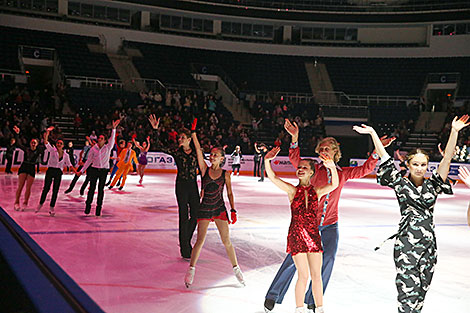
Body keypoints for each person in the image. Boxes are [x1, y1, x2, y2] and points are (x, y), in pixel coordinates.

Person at [264, 119, 394, 313]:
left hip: (330, 225)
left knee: (329, 259)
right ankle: (274, 295)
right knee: (294, 260)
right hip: (308, 226)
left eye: (328, 149)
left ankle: (313, 300)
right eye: (321, 148)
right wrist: (294, 138)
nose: (324, 151)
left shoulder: (343, 173)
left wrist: (377, 149)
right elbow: (295, 160)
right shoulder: (314, 170)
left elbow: (366, 169)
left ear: (335, 152)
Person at [353, 114, 469, 313]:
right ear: (408, 165)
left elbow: (447, 157)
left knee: (421, 294)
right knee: (407, 296)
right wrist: (373, 133)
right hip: (406, 243)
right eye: (415, 164)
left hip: (429, 245)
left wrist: (454, 131)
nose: (420, 168)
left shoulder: (433, 184)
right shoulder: (400, 183)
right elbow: (385, 157)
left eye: (423, 165)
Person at [264, 146, 338, 313]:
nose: (300, 169)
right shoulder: (292, 190)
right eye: (299, 167)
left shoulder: (317, 191)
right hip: (297, 236)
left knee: (317, 276)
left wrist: (332, 167)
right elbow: (273, 177)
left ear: (312, 172)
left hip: (313, 235)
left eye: (304, 167)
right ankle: (299, 310)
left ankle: (320, 309)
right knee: (303, 276)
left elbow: (334, 184)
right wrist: (267, 160)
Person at [184, 120, 244, 287]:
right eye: (211, 154)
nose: (212, 156)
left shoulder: (226, 174)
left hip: (219, 208)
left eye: (215, 154)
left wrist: (233, 209)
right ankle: (191, 270)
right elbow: (198, 150)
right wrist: (194, 132)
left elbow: (230, 193)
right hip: (204, 208)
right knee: (200, 241)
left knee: (226, 241)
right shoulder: (204, 169)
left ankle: (236, 269)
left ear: (222, 158)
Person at [148, 114, 199, 259]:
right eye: (179, 138)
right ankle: (185, 249)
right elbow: (159, 146)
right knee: (183, 215)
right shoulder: (177, 152)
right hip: (181, 185)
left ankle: (185, 241)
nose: (179, 139)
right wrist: (155, 130)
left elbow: (202, 165)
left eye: (182, 137)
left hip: (193, 185)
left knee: (195, 214)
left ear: (189, 140)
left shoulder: (196, 153)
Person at [78, 119, 120, 216]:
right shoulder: (93, 149)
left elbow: (112, 140)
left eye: (101, 138)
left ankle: (98, 208)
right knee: (91, 188)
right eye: (99, 138)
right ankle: (88, 206)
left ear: (105, 140)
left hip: (103, 171)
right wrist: (82, 170)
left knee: (101, 189)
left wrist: (114, 129)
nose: (99, 139)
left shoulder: (107, 148)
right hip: (94, 170)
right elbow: (89, 161)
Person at [36, 131, 76, 216]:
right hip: (50, 170)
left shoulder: (66, 155)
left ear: (63, 145)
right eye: (58, 143)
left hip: (58, 172)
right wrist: (46, 134)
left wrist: (76, 172)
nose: (59, 144)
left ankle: (51, 207)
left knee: (55, 190)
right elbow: (46, 142)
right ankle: (40, 204)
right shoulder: (52, 150)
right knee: (46, 188)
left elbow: (70, 165)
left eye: (60, 143)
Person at [12, 126, 46, 211]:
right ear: (30, 143)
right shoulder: (26, 149)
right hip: (24, 167)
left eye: (35, 142)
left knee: (28, 187)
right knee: (20, 186)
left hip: (31, 168)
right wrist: (17, 134)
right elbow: (18, 144)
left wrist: (46, 135)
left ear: (37, 144)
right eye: (32, 142)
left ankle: (25, 203)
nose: (33, 143)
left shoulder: (39, 150)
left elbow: (46, 144)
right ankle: (16, 202)